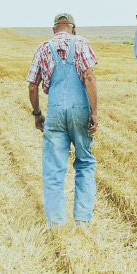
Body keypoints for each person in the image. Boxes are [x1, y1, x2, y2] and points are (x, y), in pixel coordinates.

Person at [26, 12, 100, 226]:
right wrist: (93, 112)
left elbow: (32, 85)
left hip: (56, 111)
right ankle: (82, 221)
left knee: (54, 168)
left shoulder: (43, 48)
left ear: (54, 30)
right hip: (80, 110)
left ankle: (56, 222)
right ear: (73, 28)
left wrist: (37, 113)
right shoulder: (81, 44)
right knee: (85, 162)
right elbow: (89, 76)